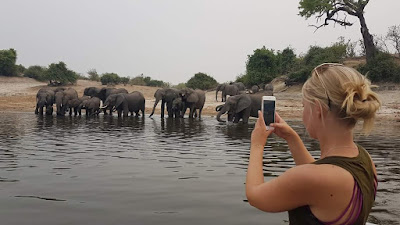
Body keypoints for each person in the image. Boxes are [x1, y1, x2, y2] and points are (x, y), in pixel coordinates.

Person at [246, 63, 381, 225]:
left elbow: (255, 196)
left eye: (304, 106)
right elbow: (322, 175)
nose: (303, 113)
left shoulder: (309, 178)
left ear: (317, 109)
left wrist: (257, 145)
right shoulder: (365, 159)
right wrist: (292, 138)